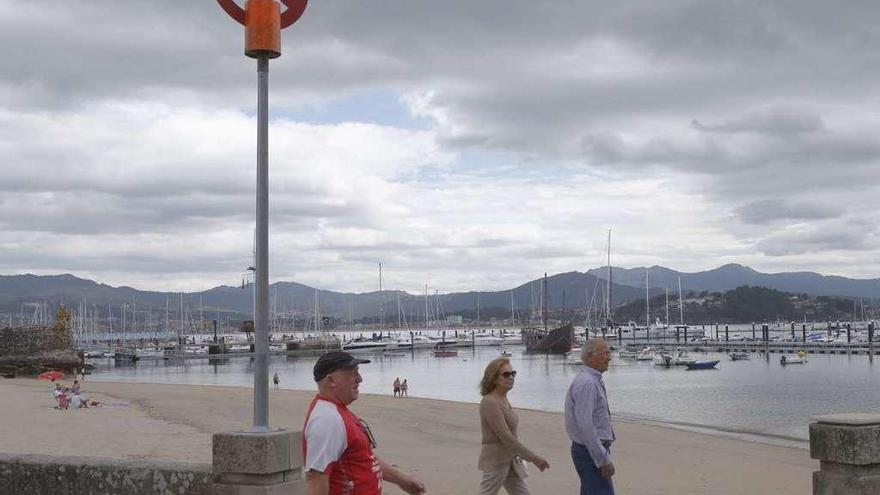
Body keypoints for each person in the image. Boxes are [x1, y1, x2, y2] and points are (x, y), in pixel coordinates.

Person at [304, 351, 426, 495]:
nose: (360, 379)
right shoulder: (327, 419)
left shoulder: (338, 412)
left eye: (358, 373)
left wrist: (402, 480)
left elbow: (364, 457)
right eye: (353, 374)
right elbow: (316, 477)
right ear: (331, 380)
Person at [478, 357, 549, 495]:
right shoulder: (490, 402)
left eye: (513, 373)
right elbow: (506, 437)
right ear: (493, 378)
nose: (511, 377)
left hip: (511, 460)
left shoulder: (503, 398)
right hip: (496, 461)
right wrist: (534, 458)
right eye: (506, 374)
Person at [565, 339, 615, 495]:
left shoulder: (591, 380)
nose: (610, 357)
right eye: (605, 353)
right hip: (590, 451)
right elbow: (585, 426)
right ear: (590, 356)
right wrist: (602, 459)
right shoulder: (587, 383)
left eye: (609, 352)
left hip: (589, 450)